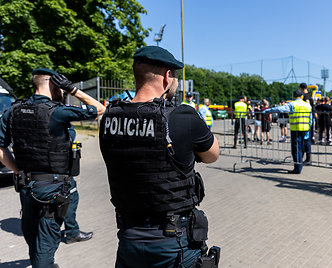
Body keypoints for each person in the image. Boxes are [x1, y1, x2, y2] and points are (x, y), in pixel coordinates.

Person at [99, 46, 220, 267]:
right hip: (173, 242)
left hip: (129, 237)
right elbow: (212, 155)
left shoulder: (109, 118)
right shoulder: (182, 116)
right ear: (167, 76)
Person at [0, 68, 105, 267]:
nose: (63, 92)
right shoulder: (56, 111)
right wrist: (73, 90)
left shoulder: (14, 109)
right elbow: (99, 108)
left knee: (33, 240)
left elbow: (0, 147)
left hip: (26, 186)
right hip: (53, 189)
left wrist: (16, 169)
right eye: (62, 87)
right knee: (46, 245)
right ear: (55, 85)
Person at [264, 90, 312, 174]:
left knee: (296, 149)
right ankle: (300, 164)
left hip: (296, 129)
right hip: (305, 129)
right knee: (302, 148)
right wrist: (309, 128)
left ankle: (297, 168)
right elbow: (310, 119)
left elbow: (280, 109)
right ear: (301, 96)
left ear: (294, 96)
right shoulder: (307, 105)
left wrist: (269, 111)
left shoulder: (292, 104)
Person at [61, 126, 94, 244]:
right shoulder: (55, 114)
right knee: (70, 198)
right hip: (59, 171)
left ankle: (51, 232)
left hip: (35, 173)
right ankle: (72, 233)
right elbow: (69, 136)